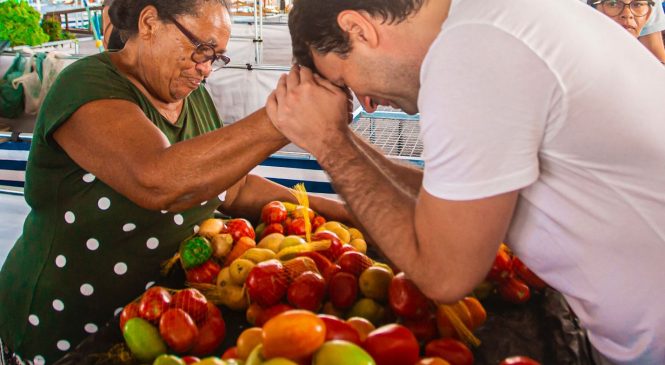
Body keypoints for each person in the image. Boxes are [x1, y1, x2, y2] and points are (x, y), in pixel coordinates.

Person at [266, 0, 665, 364]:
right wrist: (338, 138)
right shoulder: (490, 22)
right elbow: (454, 200)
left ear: (357, 29)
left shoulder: (471, 52)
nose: (365, 103)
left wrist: (330, 143)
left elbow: (444, 274)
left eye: (346, 78)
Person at [0, 0, 350, 363]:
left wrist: (341, 214)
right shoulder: (85, 85)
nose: (207, 68)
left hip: (164, 318)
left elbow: (235, 187)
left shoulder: (192, 96)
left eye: (217, 58)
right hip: (66, 327)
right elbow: (157, 179)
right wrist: (286, 117)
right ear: (150, 23)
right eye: (202, 50)